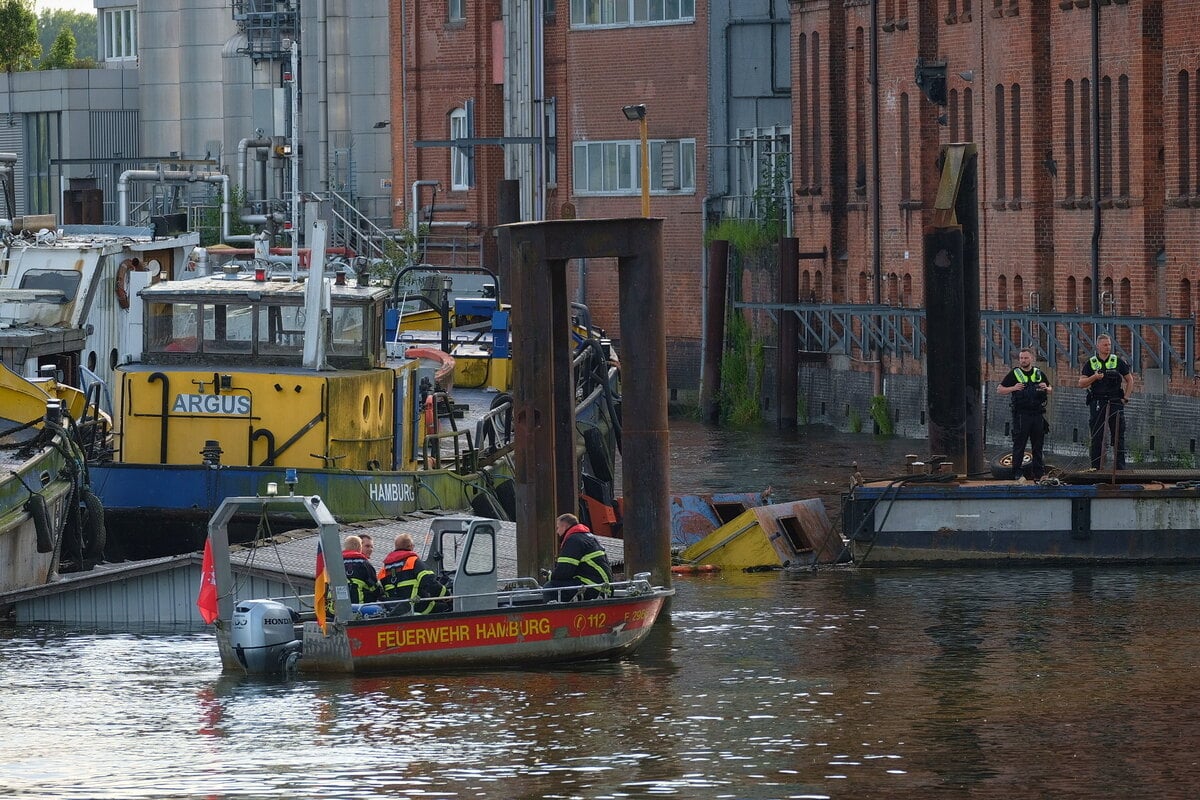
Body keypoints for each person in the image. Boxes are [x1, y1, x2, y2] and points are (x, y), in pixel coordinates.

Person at [1078, 333, 1134, 470]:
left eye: (1109, 344)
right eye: (1105, 345)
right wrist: (1094, 377)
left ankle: (1120, 468)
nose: (1107, 347)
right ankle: (1096, 467)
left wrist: (1126, 397)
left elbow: (1130, 380)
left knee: (1118, 435)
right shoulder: (1091, 363)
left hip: (1115, 401)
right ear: (1098, 346)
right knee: (1097, 436)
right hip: (1098, 402)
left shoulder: (1117, 361)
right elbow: (1081, 383)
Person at [997, 347, 1052, 480]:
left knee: (1038, 445)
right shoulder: (1014, 374)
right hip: (1021, 415)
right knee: (1019, 444)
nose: (1023, 360)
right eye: (1021, 358)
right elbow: (1000, 389)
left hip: (1037, 414)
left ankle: (1039, 473)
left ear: (1031, 359)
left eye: (1026, 358)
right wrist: (1013, 388)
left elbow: (1050, 389)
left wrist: (1047, 388)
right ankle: (1017, 472)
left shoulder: (1038, 373)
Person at [543, 513, 614, 602]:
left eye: (558, 528)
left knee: (550, 588)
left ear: (565, 526)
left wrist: (550, 576)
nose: (557, 532)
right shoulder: (587, 537)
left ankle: (556, 614)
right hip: (602, 586)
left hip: (593, 586)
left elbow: (564, 571)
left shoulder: (573, 540)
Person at [379, 533, 447, 614]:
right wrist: (446, 595)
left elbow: (379, 589)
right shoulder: (413, 561)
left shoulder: (385, 568)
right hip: (418, 608)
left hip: (395, 610)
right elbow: (429, 582)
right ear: (410, 546)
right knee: (446, 607)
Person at [341, 534, 381, 604]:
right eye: (367, 546)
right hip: (359, 606)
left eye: (372, 547)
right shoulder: (365, 564)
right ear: (359, 546)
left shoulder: (336, 562)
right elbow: (375, 589)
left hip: (336, 608)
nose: (370, 549)